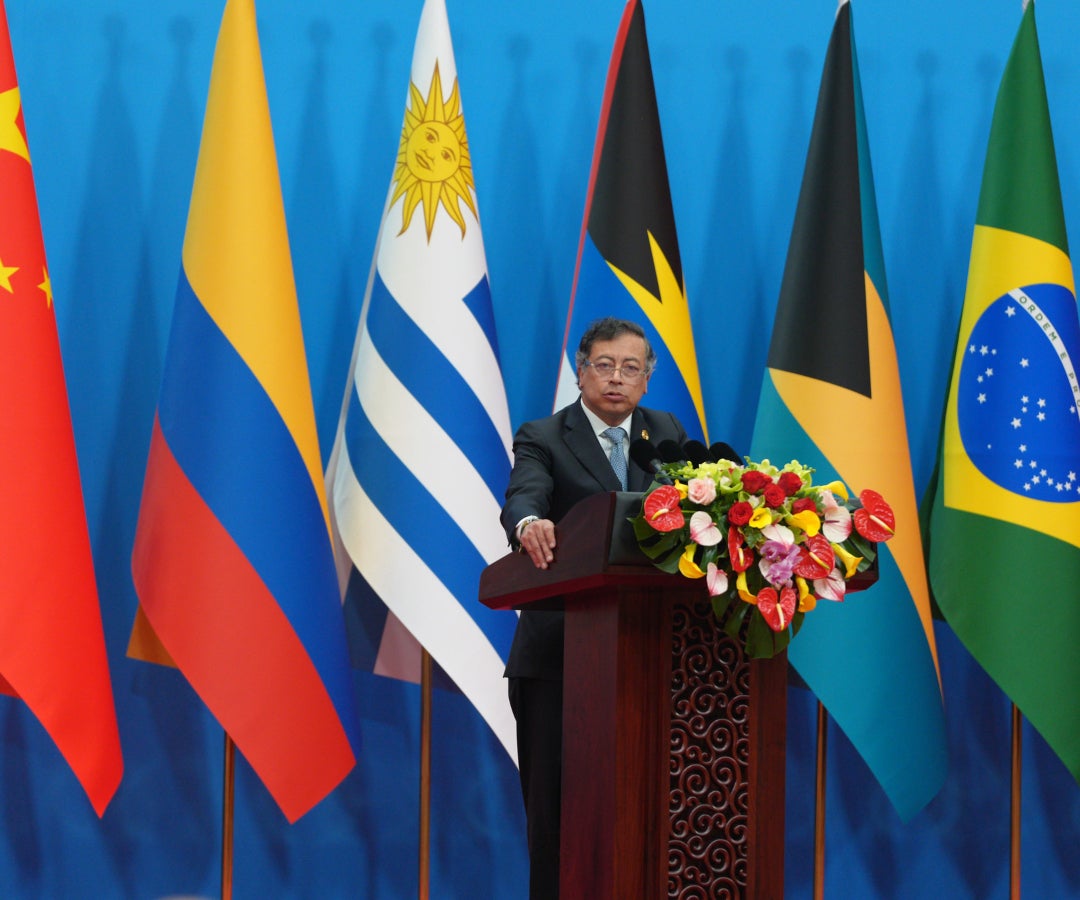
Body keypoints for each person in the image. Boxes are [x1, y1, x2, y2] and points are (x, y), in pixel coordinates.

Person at [501, 317, 687, 899]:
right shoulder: (545, 435)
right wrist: (530, 523)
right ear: (581, 371)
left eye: (631, 368)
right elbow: (525, 493)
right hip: (560, 658)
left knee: (643, 810)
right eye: (604, 365)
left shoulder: (667, 432)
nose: (616, 378)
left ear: (647, 380)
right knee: (559, 817)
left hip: (649, 656)